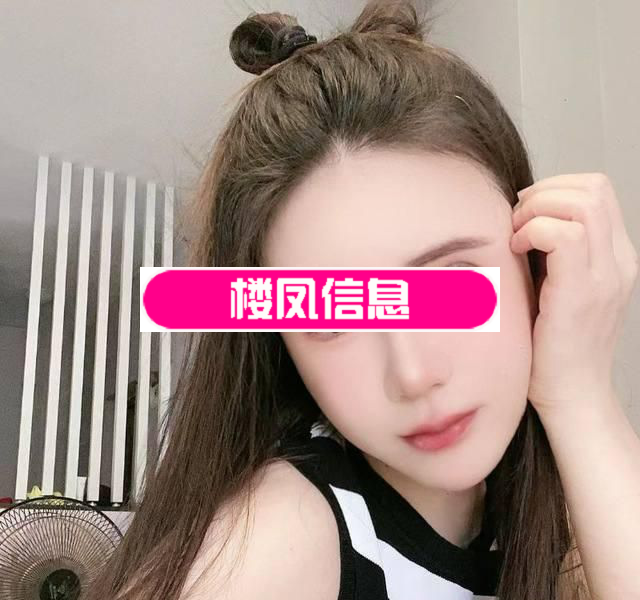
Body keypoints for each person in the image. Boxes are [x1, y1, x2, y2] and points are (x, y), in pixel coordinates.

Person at [87, 1, 640, 599]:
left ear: (532, 260)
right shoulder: (277, 541)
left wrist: (578, 392)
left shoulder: (540, 499)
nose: (414, 374)